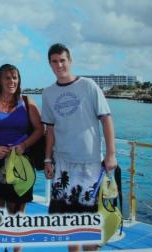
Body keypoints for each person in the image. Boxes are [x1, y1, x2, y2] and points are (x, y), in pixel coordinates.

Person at [41, 43, 117, 252]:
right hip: (62, 164)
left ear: (70, 60)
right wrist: (48, 159)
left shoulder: (88, 86)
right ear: (50, 64)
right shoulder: (48, 93)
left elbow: (106, 119)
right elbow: (51, 130)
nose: (59, 65)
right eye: (54, 61)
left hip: (89, 164)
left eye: (62, 60)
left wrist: (111, 154)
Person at [0, 63, 43, 252]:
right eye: (7, 77)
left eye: (15, 77)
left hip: (20, 165)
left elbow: (40, 129)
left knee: (17, 215)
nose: (11, 81)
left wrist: (23, 145)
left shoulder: (27, 101)